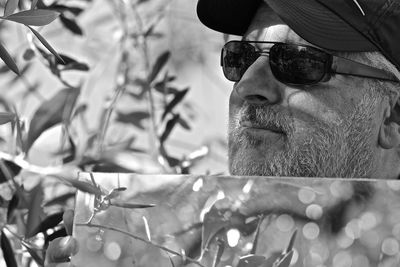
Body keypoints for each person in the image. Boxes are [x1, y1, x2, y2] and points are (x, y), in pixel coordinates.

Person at [44, 0, 400, 265]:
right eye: (240, 58)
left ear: (391, 118)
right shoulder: (144, 228)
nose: (247, 85)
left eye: (300, 62)